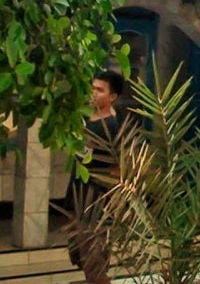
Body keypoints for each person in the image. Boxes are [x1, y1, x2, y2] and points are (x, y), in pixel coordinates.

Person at [67, 70, 124, 284]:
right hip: (77, 195)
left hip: (96, 201)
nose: (93, 93)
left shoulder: (112, 126)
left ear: (112, 97)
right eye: (92, 87)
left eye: (100, 90)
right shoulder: (84, 118)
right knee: (81, 256)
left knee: (94, 262)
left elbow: (116, 169)